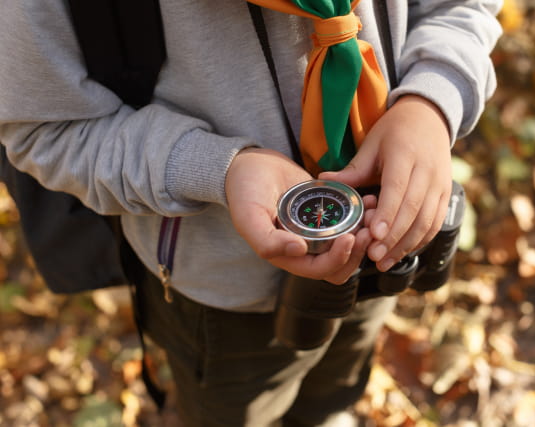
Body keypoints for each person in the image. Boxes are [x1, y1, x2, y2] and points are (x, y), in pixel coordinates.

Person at [0, 0, 502, 425]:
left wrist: (432, 100)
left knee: (339, 380)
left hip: (383, 243)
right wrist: (215, 169)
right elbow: (47, 128)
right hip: (221, 289)